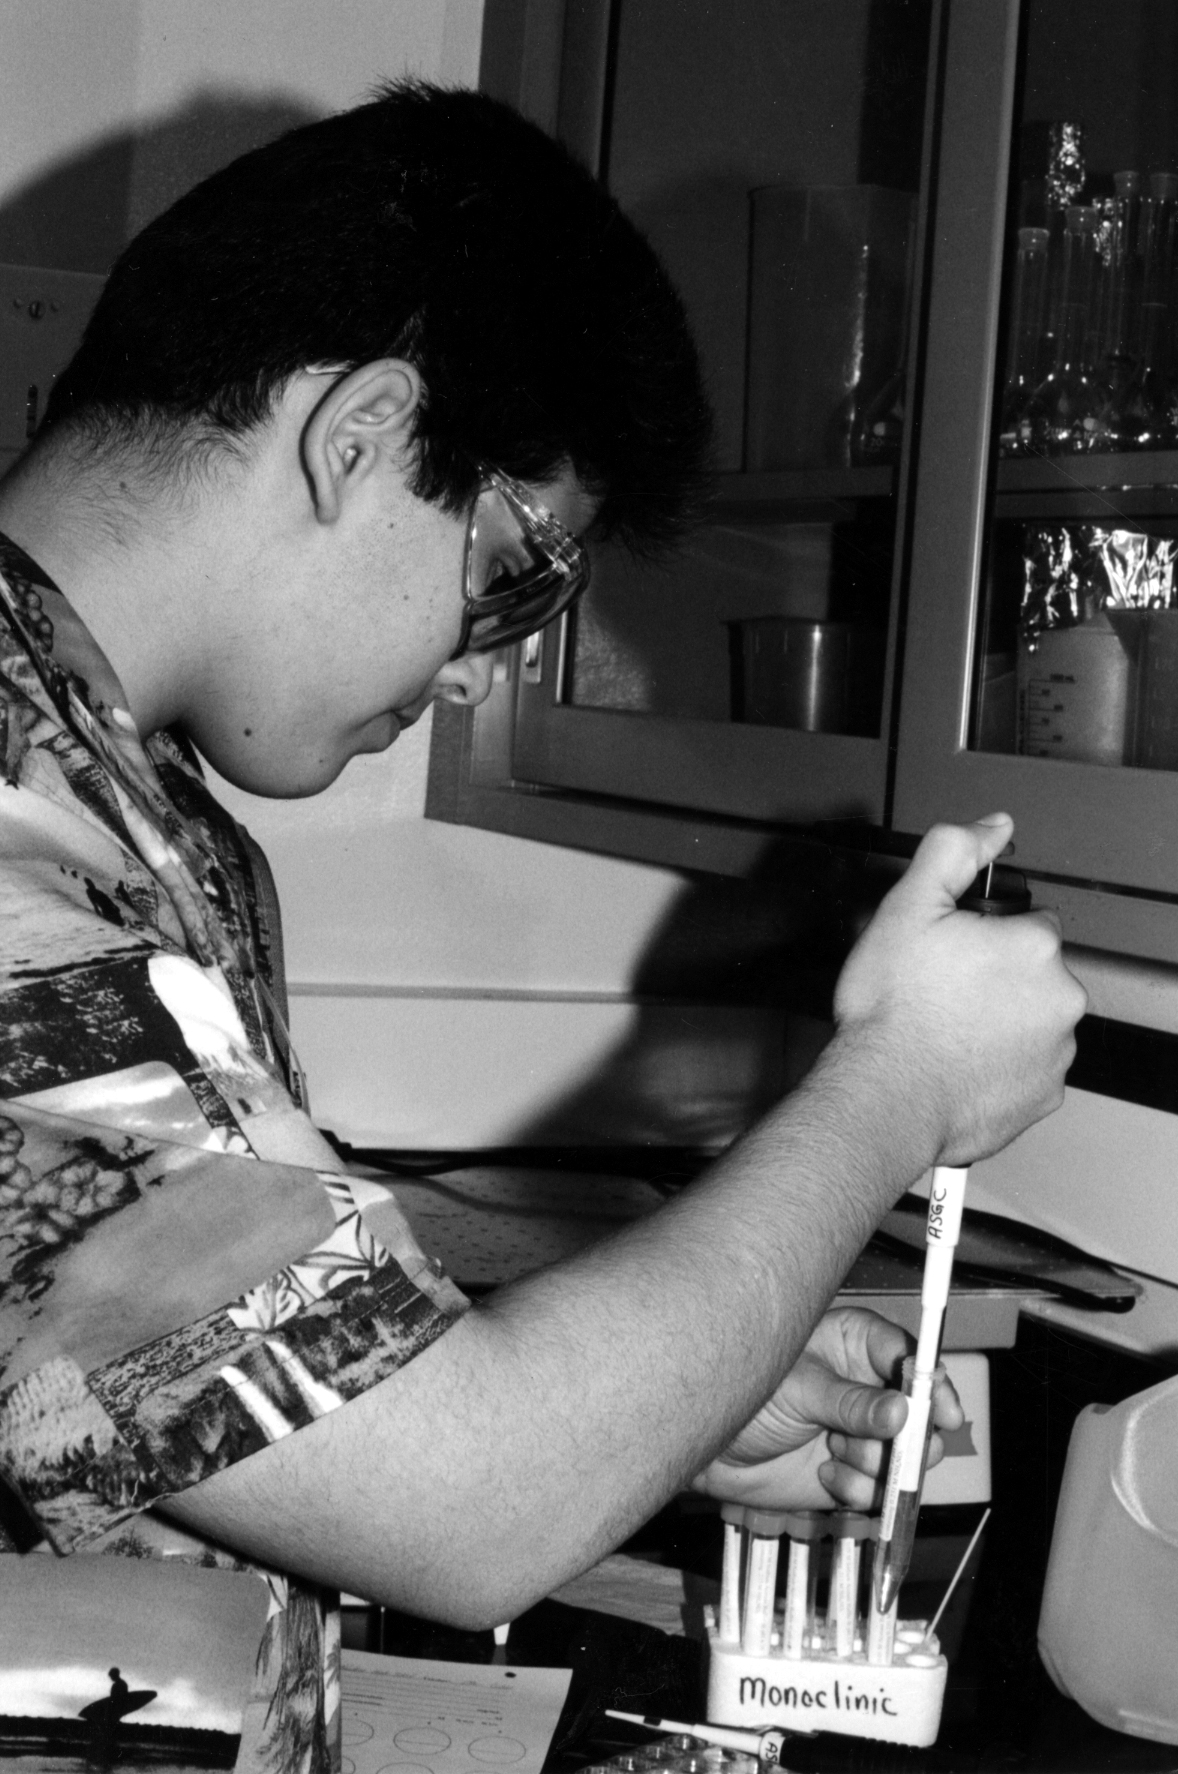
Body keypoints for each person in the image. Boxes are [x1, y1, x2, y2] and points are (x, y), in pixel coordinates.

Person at [0, 81, 1084, 1772]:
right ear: (359, 434)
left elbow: (226, 1340)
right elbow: (469, 1499)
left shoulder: (131, 808)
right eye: (516, 568)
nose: (474, 669)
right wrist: (902, 1085)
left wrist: (656, 1392)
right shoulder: (20, 855)